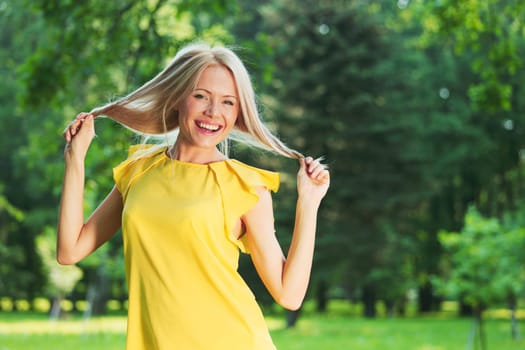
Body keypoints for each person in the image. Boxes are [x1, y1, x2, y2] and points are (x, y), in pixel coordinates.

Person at [57, 43, 330, 350]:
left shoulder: (244, 185)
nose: (214, 113)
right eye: (201, 96)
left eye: (228, 102)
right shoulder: (139, 170)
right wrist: (75, 160)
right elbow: (70, 251)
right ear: (176, 97)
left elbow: (288, 295)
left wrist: (309, 202)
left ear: (239, 112)